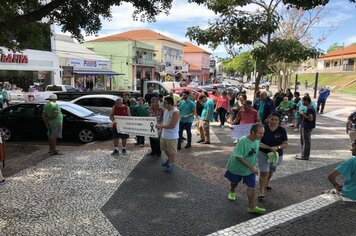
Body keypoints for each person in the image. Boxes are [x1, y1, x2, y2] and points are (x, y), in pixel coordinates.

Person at [224, 123, 266, 214]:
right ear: (252, 132)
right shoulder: (242, 141)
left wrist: (270, 148)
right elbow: (238, 156)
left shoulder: (257, 139)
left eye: (262, 133)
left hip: (249, 169)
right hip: (237, 167)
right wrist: (251, 167)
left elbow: (259, 144)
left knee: (251, 186)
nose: (262, 135)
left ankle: (251, 207)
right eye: (260, 133)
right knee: (234, 182)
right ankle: (232, 190)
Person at [258, 112, 288, 200]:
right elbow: (258, 142)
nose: (273, 121)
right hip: (263, 153)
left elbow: (285, 143)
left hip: (276, 155)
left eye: (276, 120)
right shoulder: (263, 128)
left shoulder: (282, 130)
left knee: (270, 171)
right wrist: (269, 147)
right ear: (268, 119)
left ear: (279, 121)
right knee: (264, 172)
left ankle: (267, 183)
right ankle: (261, 192)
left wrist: (277, 147)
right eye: (272, 119)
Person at [157, 96, 180, 173]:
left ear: (170, 104)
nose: (163, 104)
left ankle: (170, 164)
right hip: (164, 134)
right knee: (164, 149)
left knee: (171, 151)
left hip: (172, 136)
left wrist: (161, 126)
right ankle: (170, 159)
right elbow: (165, 121)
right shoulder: (166, 110)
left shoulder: (175, 112)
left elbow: (172, 125)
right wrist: (161, 129)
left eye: (165, 103)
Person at [295, 96, 316, 161]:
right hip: (307, 126)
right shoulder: (310, 108)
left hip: (306, 126)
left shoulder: (310, 108)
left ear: (306, 101)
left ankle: (305, 156)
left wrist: (302, 114)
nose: (302, 102)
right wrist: (304, 113)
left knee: (305, 142)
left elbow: (310, 118)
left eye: (303, 101)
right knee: (304, 141)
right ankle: (303, 154)